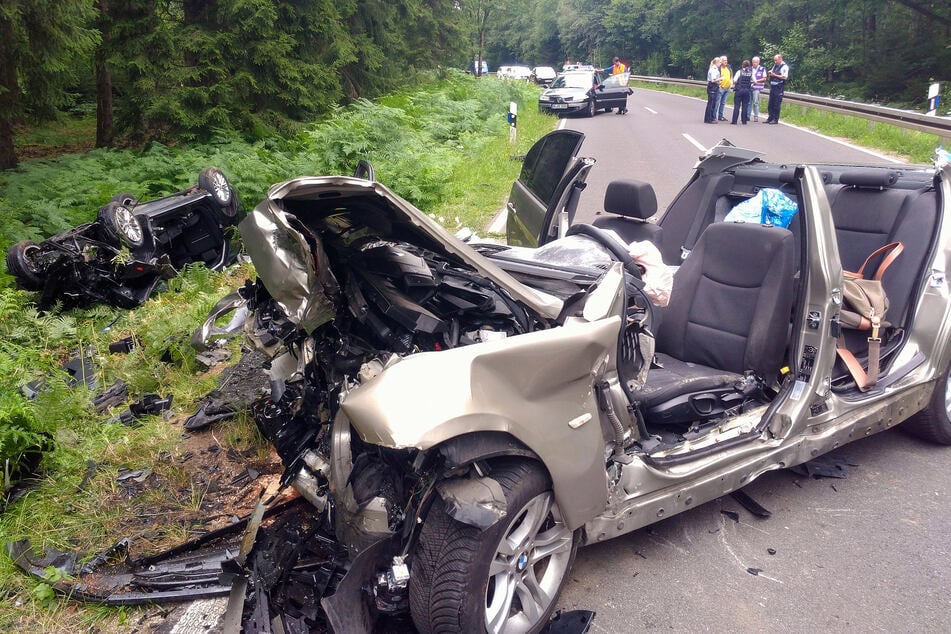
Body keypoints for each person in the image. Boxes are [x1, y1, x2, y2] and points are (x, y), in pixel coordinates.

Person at [765, 53, 789, 124]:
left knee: (776, 104)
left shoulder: (784, 67)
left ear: (780, 59)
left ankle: (775, 119)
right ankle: (770, 117)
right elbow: (772, 72)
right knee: (771, 103)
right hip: (773, 87)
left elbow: (785, 77)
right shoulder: (775, 65)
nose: (775, 62)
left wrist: (775, 75)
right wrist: (770, 73)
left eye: (776, 60)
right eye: (774, 60)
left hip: (779, 87)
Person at [731, 60, 753, 124]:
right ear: (749, 66)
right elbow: (755, 81)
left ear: (742, 65)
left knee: (737, 106)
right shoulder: (751, 73)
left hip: (739, 90)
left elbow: (734, 80)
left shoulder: (739, 72)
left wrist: (737, 83)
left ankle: (734, 121)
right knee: (745, 106)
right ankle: (744, 121)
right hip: (747, 91)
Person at [750, 56, 767, 121]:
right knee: (749, 102)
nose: (754, 63)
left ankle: (756, 116)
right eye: (753, 62)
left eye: (756, 62)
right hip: (750, 87)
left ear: (758, 62)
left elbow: (764, 78)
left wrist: (757, 81)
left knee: (755, 102)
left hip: (757, 87)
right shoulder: (749, 69)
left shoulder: (762, 69)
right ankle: (747, 116)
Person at [704, 58, 721, 123]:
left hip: (713, 87)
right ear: (716, 62)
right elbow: (713, 80)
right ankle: (709, 119)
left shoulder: (714, 69)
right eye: (719, 62)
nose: (720, 64)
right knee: (711, 104)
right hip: (712, 86)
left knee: (711, 103)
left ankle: (708, 119)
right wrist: (720, 79)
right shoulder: (714, 69)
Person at [716, 56, 732, 121]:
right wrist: (718, 85)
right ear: (721, 61)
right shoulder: (719, 68)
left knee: (723, 103)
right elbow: (716, 77)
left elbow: (731, 75)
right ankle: (714, 116)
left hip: (727, 88)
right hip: (721, 88)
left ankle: (720, 116)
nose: (726, 61)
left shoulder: (728, 67)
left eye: (726, 60)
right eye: (724, 60)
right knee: (717, 102)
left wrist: (731, 83)